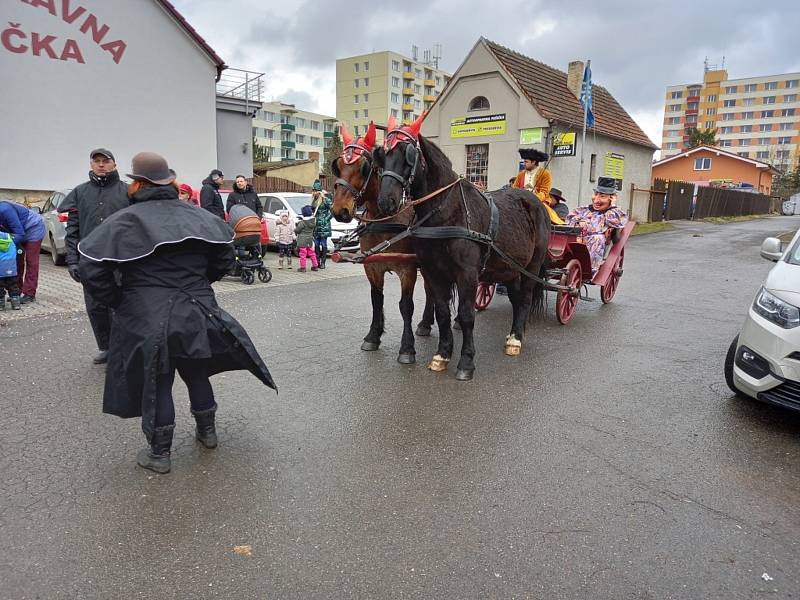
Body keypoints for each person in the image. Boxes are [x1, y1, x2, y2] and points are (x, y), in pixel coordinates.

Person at [78, 152, 276, 474]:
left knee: (159, 380)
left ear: (138, 184)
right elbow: (225, 260)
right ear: (169, 182)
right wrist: (197, 287)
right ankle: (207, 433)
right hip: (198, 310)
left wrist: (120, 300)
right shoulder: (198, 216)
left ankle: (160, 454)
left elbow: (92, 272)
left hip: (147, 315)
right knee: (196, 371)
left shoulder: (124, 221)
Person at [62, 148, 130, 364]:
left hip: (123, 260)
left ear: (114, 165)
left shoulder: (128, 192)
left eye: (105, 161)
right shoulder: (79, 193)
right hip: (91, 261)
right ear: (91, 165)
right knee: (96, 307)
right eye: (96, 161)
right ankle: (107, 346)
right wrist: (72, 260)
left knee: (125, 304)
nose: (101, 165)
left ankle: (128, 345)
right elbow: (72, 231)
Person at [565, 176, 629, 273]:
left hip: (593, 245)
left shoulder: (614, 213)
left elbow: (616, 222)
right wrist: (579, 221)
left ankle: (589, 268)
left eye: (602, 196)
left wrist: (613, 205)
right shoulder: (584, 210)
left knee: (597, 238)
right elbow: (569, 218)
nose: (596, 200)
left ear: (611, 198)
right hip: (575, 242)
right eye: (595, 194)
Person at [0, 200, 45, 304]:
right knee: (15, 261)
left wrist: (7, 244)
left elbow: (19, 233)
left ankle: (29, 294)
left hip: (33, 228)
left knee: (31, 261)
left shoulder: (5, 210)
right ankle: (16, 292)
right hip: (16, 232)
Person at [512, 148, 562, 224]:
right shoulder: (521, 174)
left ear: (533, 162)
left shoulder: (545, 174)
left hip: (538, 201)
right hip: (521, 200)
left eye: (526, 162)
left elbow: (544, 192)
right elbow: (514, 189)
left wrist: (532, 199)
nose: (524, 163)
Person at [311, 180, 332, 269]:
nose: (314, 192)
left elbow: (333, 211)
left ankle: (323, 262)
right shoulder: (313, 200)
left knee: (323, 244)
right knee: (316, 244)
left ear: (319, 191)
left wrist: (326, 219)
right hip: (316, 225)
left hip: (324, 226)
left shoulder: (325, 200)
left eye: (315, 191)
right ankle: (317, 262)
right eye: (313, 191)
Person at [0, 232, 21, 311]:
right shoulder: (9, 237)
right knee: (13, 285)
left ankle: (1, 304)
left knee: (0, 286)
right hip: (11, 267)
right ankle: (16, 303)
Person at [294, 205, 318, 272]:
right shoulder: (313, 221)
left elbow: (297, 230)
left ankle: (303, 267)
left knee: (302, 254)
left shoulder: (302, 222)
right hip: (310, 239)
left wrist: (296, 227)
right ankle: (315, 266)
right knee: (312, 253)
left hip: (302, 240)